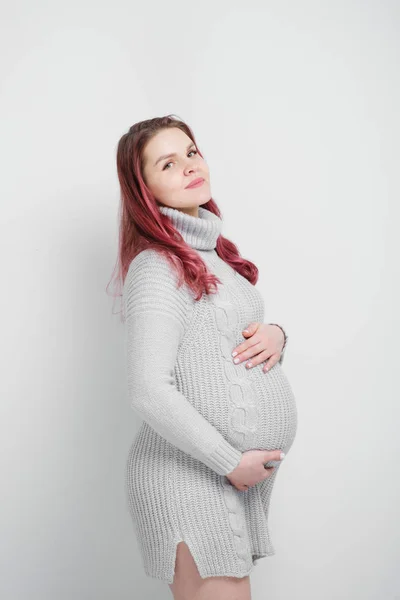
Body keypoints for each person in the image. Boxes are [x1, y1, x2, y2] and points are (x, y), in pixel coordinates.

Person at [111, 114, 298, 600]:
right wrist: (230, 461)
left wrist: (278, 335)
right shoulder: (157, 266)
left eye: (191, 152)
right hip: (188, 476)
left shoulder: (214, 254)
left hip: (219, 476)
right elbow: (148, 391)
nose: (190, 167)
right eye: (168, 164)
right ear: (144, 189)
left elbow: (224, 341)